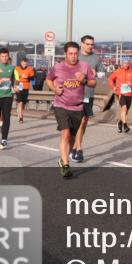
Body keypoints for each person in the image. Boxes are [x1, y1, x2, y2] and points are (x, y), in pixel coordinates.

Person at [46, 42, 96, 178]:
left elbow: (93, 82)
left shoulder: (84, 67)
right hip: (61, 105)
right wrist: (55, 89)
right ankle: (66, 166)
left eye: (75, 53)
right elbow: (48, 80)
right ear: (65, 54)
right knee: (65, 133)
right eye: (70, 54)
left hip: (78, 106)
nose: (73, 56)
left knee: (72, 138)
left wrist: (84, 80)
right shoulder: (57, 67)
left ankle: (63, 159)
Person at [73, 35, 105, 162]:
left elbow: (102, 75)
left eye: (92, 44)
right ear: (82, 44)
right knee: (75, 123)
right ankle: (76, 147)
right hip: (73, 94)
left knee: (83, 122)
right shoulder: (75, 56)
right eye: (87, 44)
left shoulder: (96, 58)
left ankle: (77, 147)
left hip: (88, 94)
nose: (90, 46)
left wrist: (96, 73)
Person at [107, 58, 132, 133]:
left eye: (127, 63)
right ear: (122, 63)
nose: (126, 64)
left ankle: (120, 122)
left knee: (126, 111)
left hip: (129, 93)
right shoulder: (118, 71)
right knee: (124, 108)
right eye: (124, 63)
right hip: (121, 93)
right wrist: (113, 87)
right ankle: (125, 125)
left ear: (129, 63)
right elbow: (110, 79)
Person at [14, 57, 36, 123]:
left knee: (23, 103)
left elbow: (33, 78)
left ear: (27, 63)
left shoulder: (30, 69)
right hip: (19, 86)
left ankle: (19, 111)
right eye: (23, 62)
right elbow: (14, 77)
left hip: (26, 87)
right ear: (21, 62)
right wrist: (15, 86)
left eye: (25, 62)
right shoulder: (17, 69)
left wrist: (27, 77)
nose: (24, 63)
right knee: (20, 101)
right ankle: (21, 117)